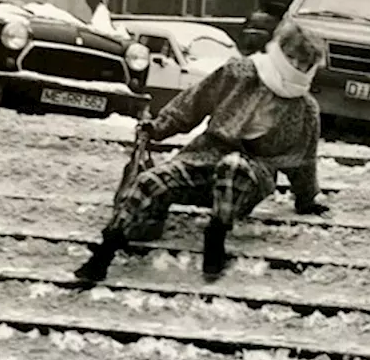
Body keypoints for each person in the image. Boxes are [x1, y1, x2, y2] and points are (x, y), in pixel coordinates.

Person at [74, 19, 331, 284]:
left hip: (250, 178)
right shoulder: (239, 73)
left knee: (234, 167)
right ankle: (104, 254)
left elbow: (304, 160)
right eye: (293, 59)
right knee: (151, 181)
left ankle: (215, 239)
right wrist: (157, 129)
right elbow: (193, 103)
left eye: (305, 64)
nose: (297, 68)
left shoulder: (305, 109)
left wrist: (307, 199)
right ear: (280, 52)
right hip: (205, 158)